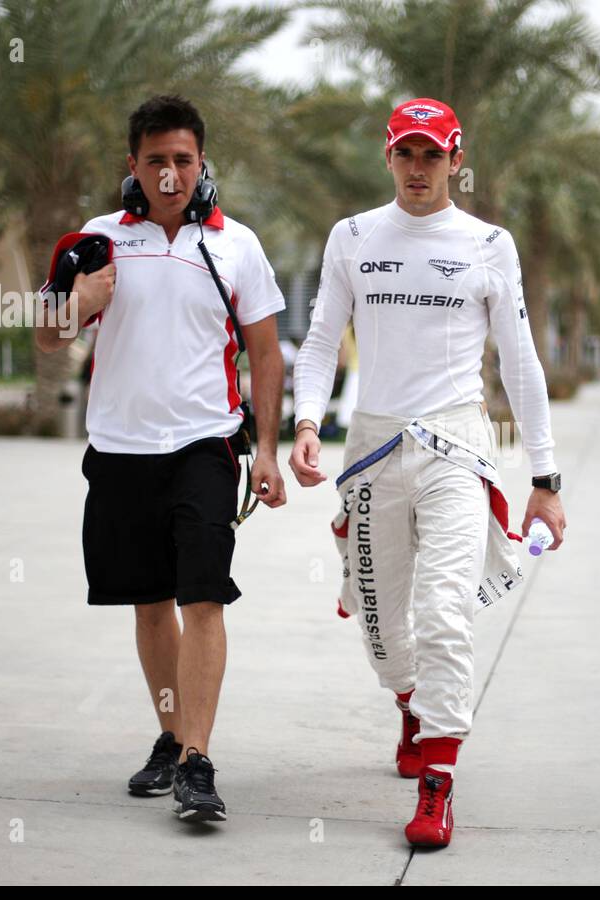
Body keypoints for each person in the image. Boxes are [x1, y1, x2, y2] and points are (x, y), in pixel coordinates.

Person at [288, 97, 566, 849]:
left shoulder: (488, 244)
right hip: (373, 451)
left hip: (455, 446)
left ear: (455, 158)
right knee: (382, 633)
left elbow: (519, 361)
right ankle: (411, 702)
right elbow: (318, 343)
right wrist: (307, 422)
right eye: (406, 154)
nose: (419, 168)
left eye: (433, 155)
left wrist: (546, 478)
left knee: (444, 612)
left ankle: (438, 781)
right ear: (388, 157)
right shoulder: (353, 237)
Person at [34, 94, 288, 823]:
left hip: (204, 447)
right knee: (150, 602)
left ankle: (198, 762)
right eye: (156, 162)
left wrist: (265, 450)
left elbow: (266, 354)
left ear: (201, 161)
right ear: (133, 166)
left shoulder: (235, 244)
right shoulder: (97, 240)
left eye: (183, 160)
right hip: (119, 450)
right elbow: (50, 340)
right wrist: (77, 298)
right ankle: (171, 737)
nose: (170, 174)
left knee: (202, 595)